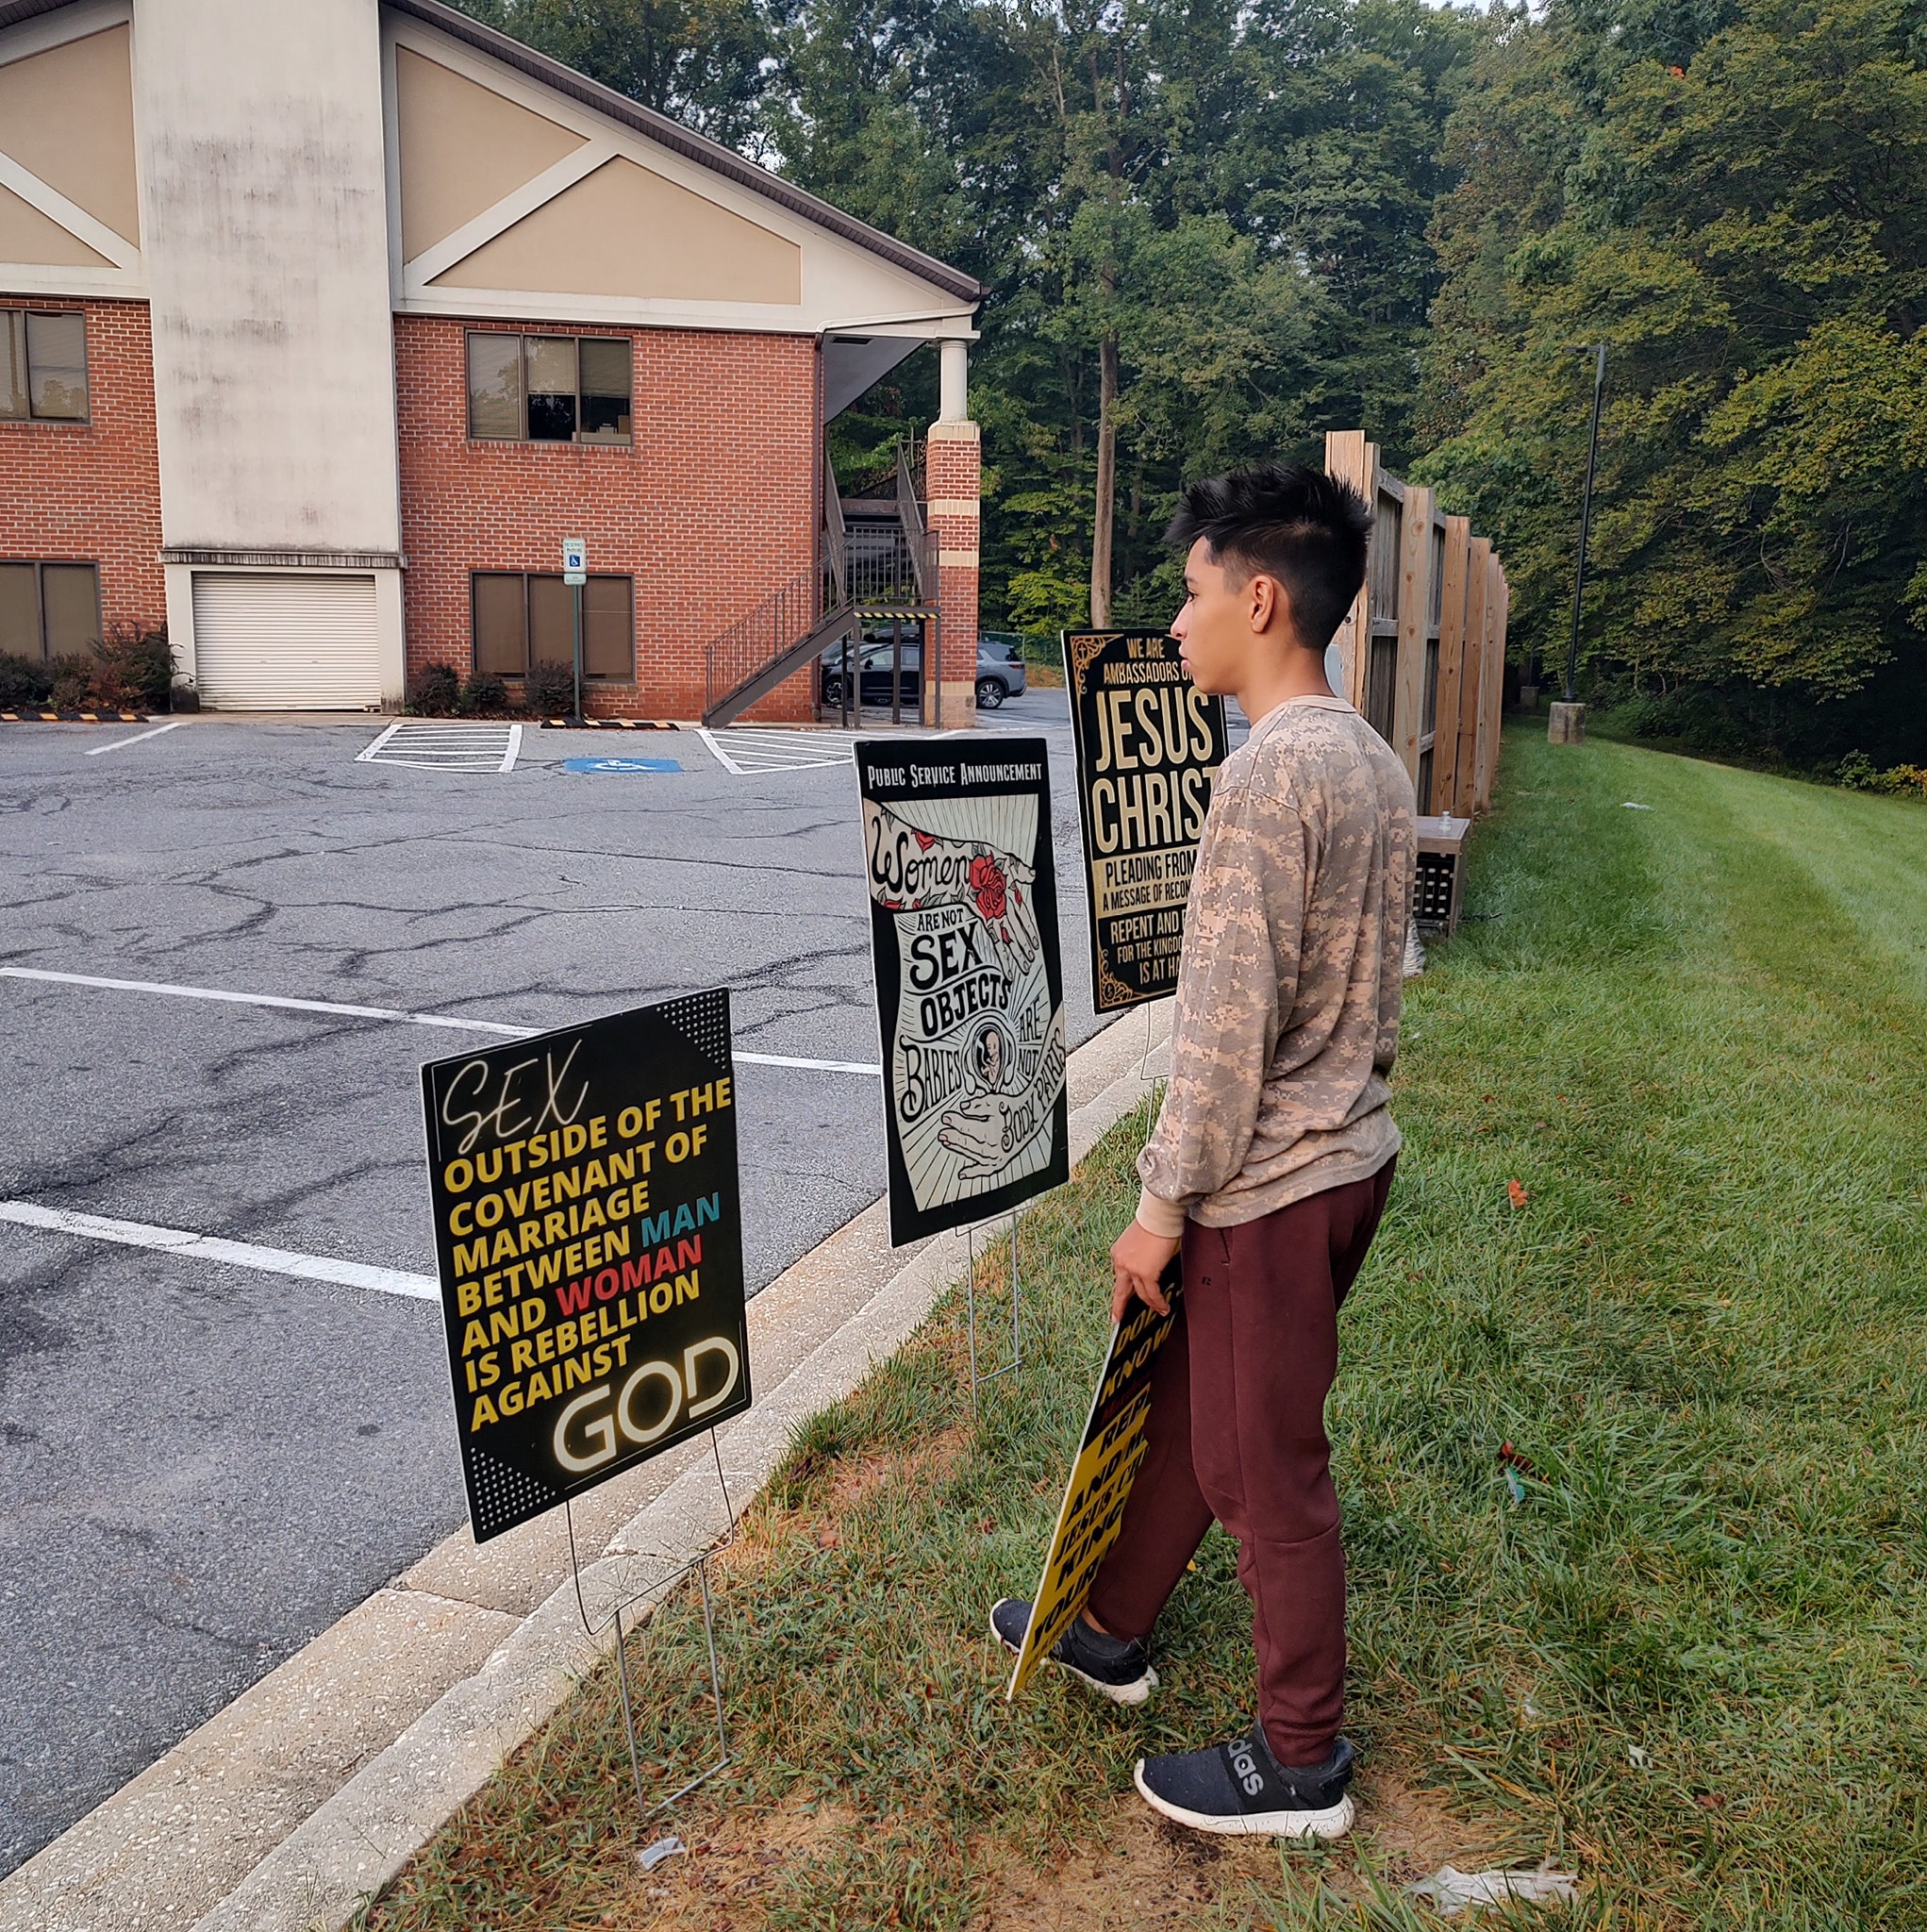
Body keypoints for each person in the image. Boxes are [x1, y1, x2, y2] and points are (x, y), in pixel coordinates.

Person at [993, 462, 1416, 1840]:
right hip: (1351, 1159)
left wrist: (1161, 1209)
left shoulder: (1260, 781)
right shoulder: (1368, 760)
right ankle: (1110, 1627)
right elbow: (1383, 987)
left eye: (1186, 597)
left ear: (1260, 598)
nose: (1172, 628)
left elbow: (1224, 1036)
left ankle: (1304, 1763)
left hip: (1269, 1190)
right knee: (1189, 1406)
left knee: (1263, 1469)